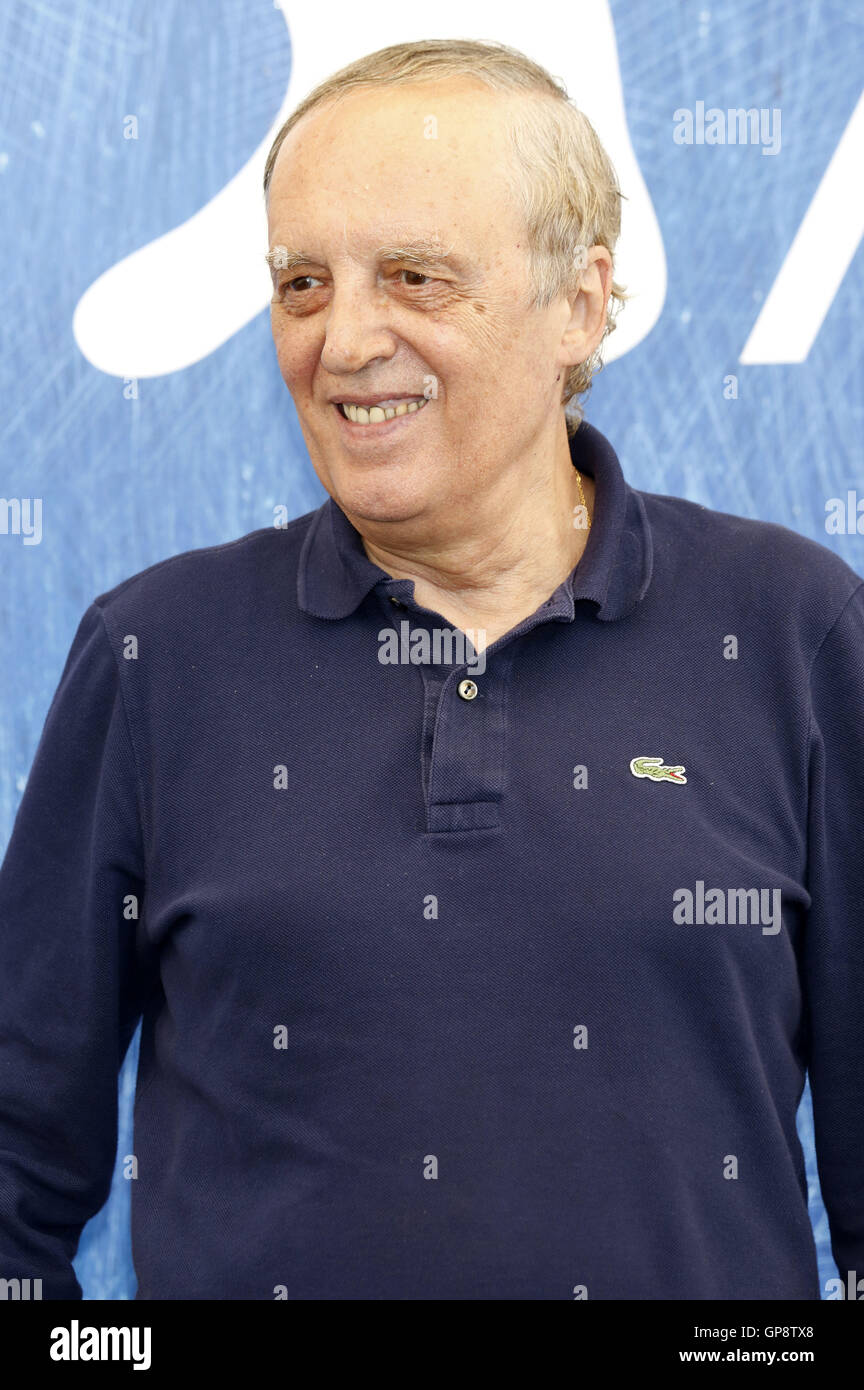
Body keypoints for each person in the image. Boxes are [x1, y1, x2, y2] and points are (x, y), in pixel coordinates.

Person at [1, 37, 862, 1301]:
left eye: (413, 277)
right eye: (302, 283)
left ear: (579, 303)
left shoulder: (796, 630)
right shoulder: (156, 655)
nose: (344, 340)